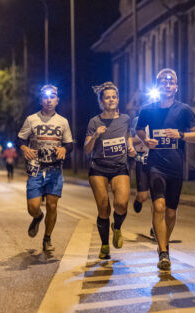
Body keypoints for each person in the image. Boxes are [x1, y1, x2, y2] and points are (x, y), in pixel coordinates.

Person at [136, 68, 195, 270]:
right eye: (163, 82)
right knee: (158, 206)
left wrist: (181, 135)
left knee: (171, 213)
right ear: (158, 86)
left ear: (176, 87)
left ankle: (162, 244)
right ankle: (164, 251)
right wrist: (146, 140)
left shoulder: (184, 110)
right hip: (155, 165)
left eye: (171, 82)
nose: (167, 84)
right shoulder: (147, 110)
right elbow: (139, 129)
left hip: (176, 167)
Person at [17, 84, 74, 252]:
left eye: (52, 97)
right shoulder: (31, 119)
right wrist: (25, 148)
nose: (49, 100)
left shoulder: (63, 121)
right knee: (33, 207)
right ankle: (37, 217)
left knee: (52, 205)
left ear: (57, 100)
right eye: (45, 97)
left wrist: (64, 149)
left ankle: (47, 238)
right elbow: (20, 139)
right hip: (35, 168)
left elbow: (69, 144)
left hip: (54, 169)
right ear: (41, 100)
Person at [84, 82, 136, 259]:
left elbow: (127, 136)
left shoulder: (126, 119)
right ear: (101, 102)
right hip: (98, 168)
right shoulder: (94, 122)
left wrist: (130, 147)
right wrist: (96, 135)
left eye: (114, 97)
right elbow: (86, 149)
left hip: (119, 167)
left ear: (118, 100)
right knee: (104, 208)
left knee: (121, 204)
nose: (111, 99)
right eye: (107, 97)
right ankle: (105, 244)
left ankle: (117, 227)